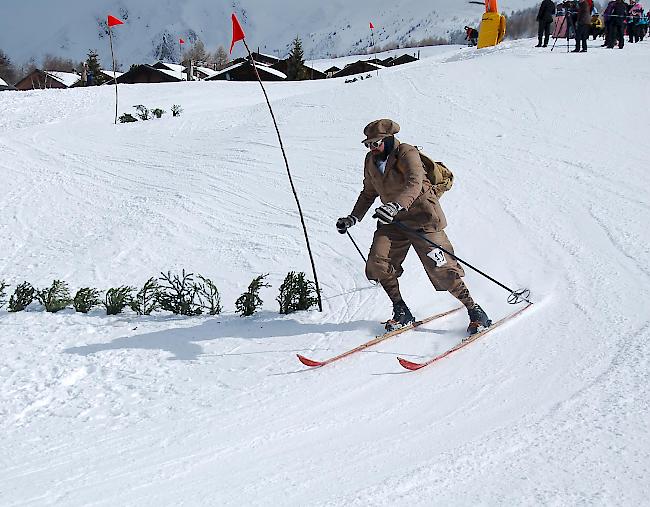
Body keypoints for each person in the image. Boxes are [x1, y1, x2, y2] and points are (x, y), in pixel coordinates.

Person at [336, 119, 491, 334]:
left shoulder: (407, 153)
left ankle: (475, 311)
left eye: (376, 143)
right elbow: (369, 192)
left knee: (442, 268)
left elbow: (414, 183)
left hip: (423, 219)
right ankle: (401, 311)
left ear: (388, 139)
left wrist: (395, 205)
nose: (372, 148)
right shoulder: (370, 161)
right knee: (379, 262)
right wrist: (353, 217)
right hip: (393, 221)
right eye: (368, 144)